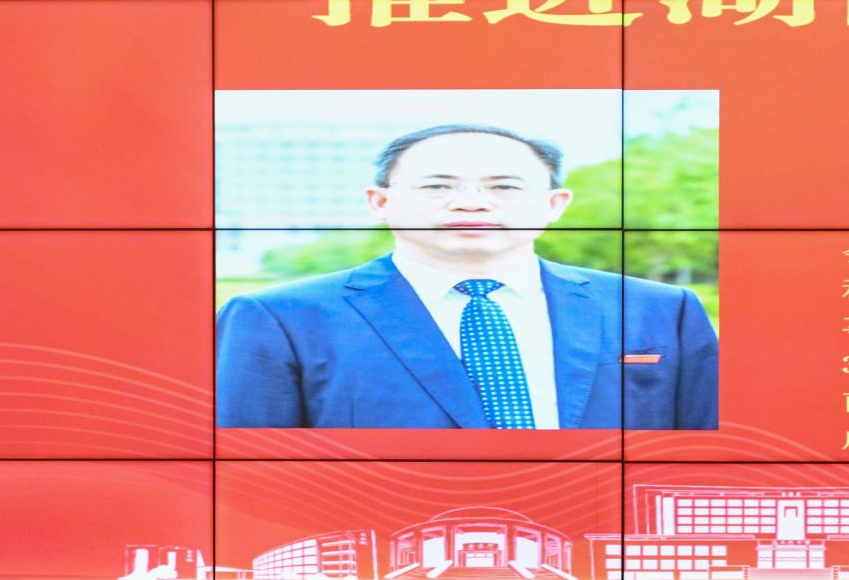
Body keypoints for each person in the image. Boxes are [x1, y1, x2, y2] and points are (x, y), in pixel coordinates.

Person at [216, 124, 719, 430]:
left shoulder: (660, 310)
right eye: (437, 186)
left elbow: (709, 451)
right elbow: (243, 468)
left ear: (554, 204)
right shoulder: (279, 319)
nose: (472, 203)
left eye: (504, 187)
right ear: (381, 202)